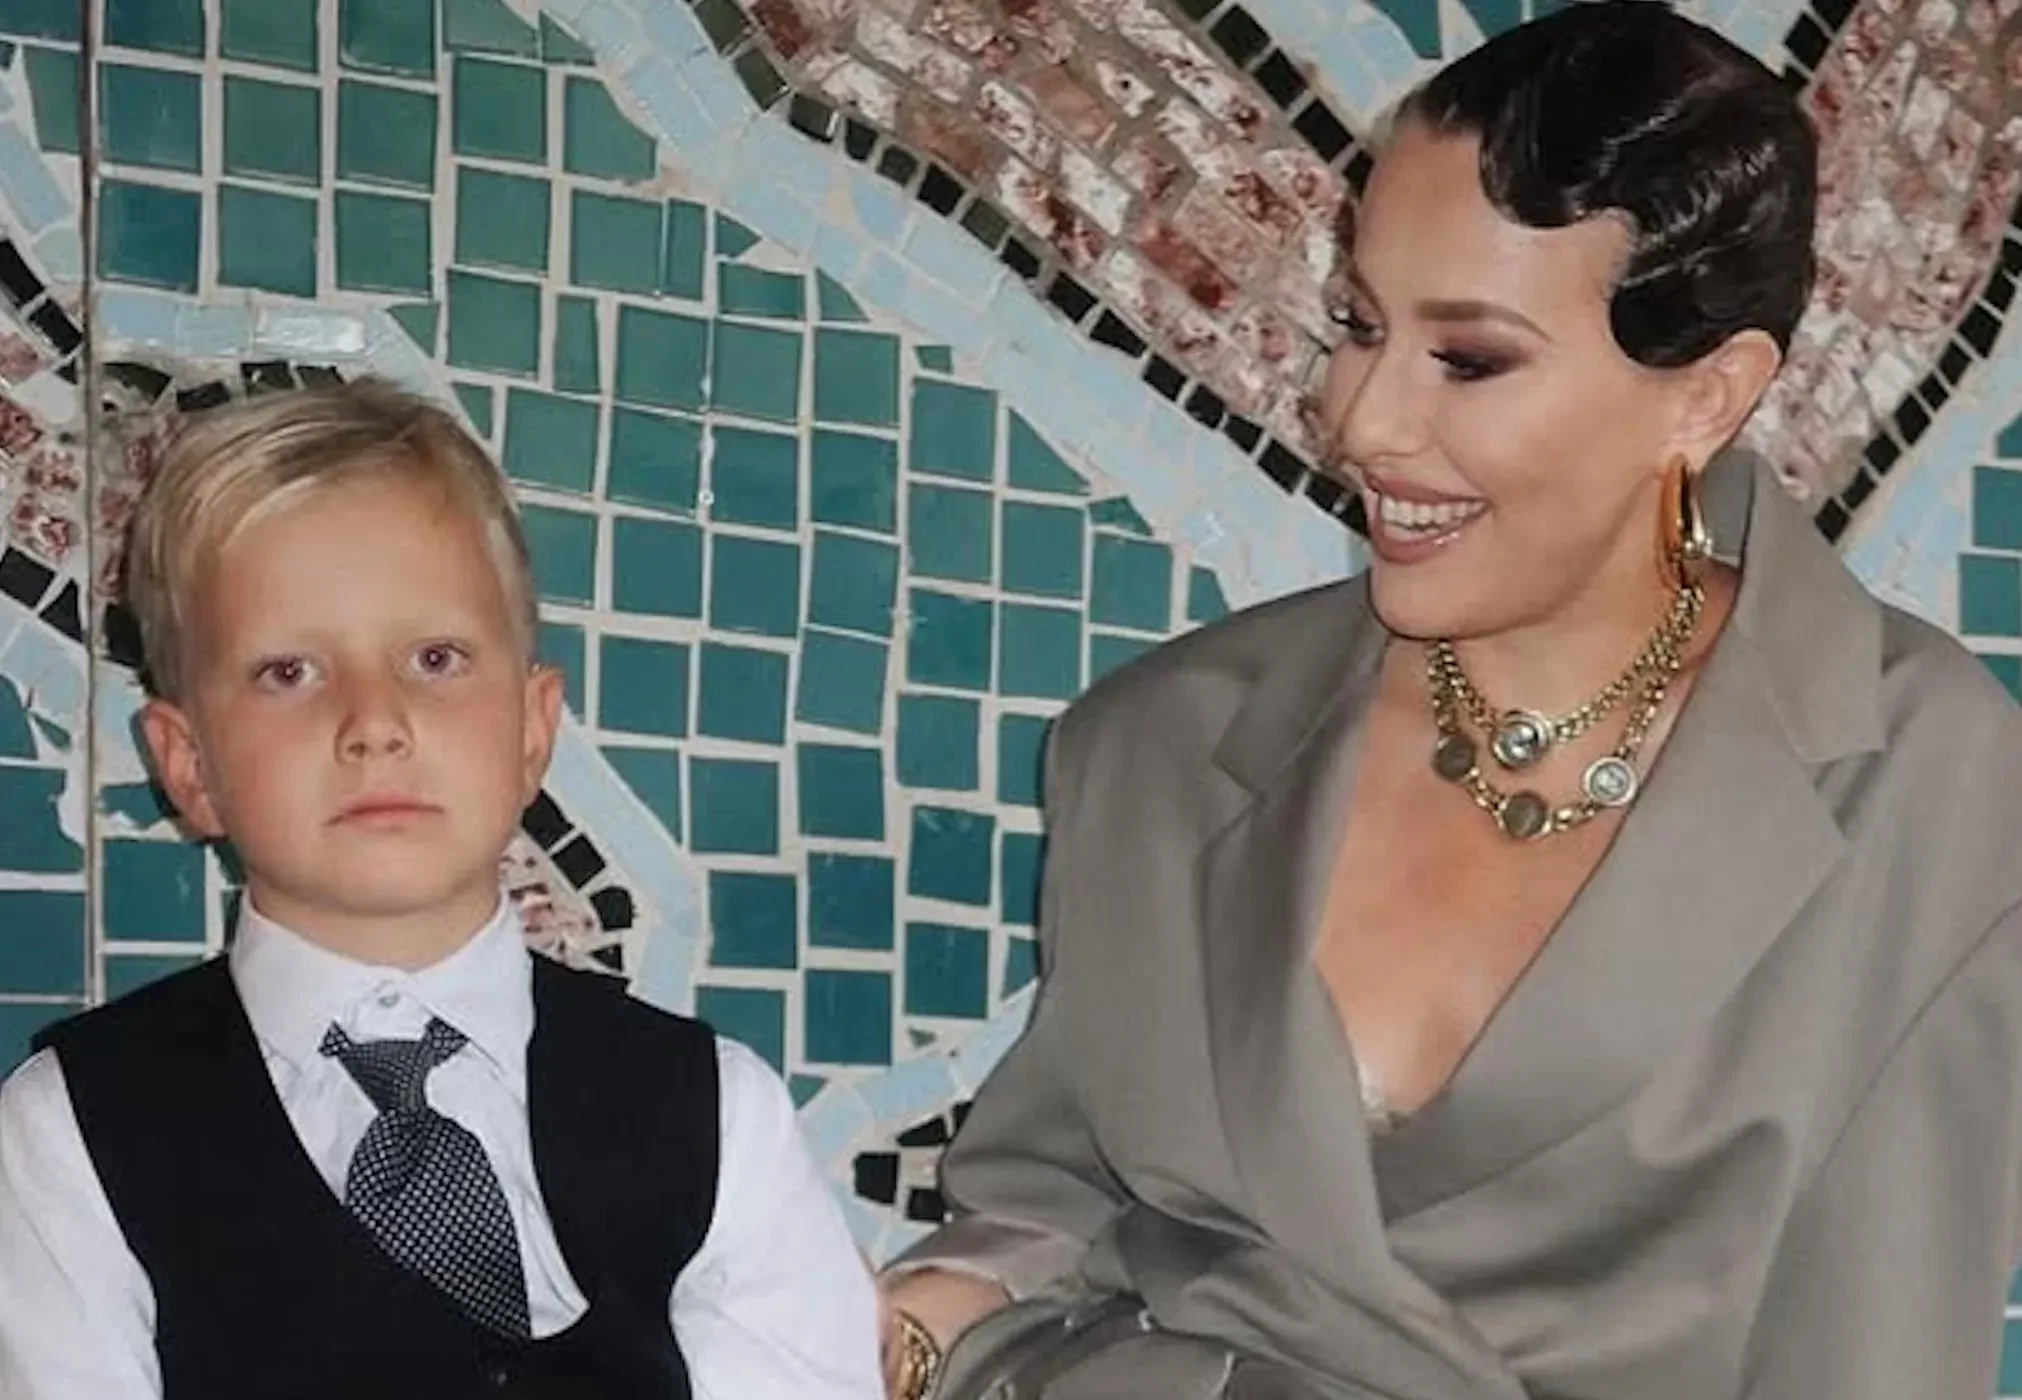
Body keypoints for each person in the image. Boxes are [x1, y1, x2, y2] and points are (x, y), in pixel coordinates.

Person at [876, 4, 2022, 1398]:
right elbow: (1044, 1212)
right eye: (1358, 326)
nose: (1361, 421)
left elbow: (1885, 1351)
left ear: (1706, 396)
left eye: (1468, 358)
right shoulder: (1154, 743)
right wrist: (909, 1329)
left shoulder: (1919, 775)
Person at [0, 379, 882, 1400]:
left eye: (435, 657)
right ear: (189, 763)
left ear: (532, 729)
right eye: (288, 671)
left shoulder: (719, 1116)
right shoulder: (72, 1133)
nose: (375, 722)